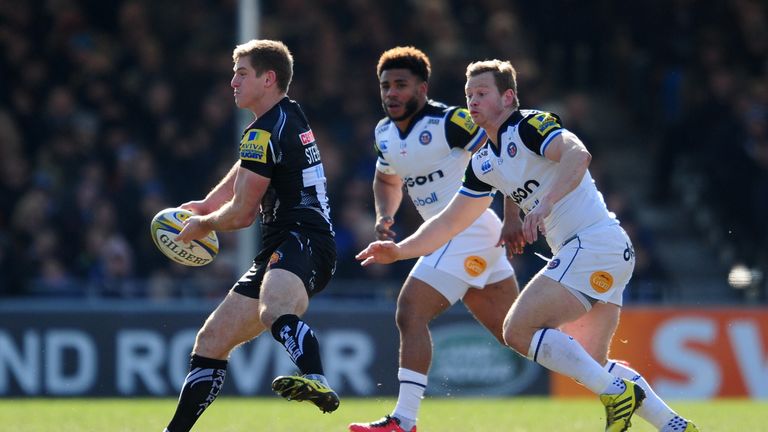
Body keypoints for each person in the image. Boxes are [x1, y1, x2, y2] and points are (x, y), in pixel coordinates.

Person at [357, 59, 699, 432]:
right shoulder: (484, 161)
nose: (473, 101)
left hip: (593, 244)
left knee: (517, 330)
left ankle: (616, 392)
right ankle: (674, 425)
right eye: (469, 94)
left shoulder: (530, 126)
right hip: (604, 253)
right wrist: (400, 250)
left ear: (508, 97)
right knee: (590, 362)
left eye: (482, 93)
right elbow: (451, 221)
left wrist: (545, 203)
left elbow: (578, 155)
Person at [162, 39, 339, 432]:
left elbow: (242, 214)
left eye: (242, 73)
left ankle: (318, 378)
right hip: (289, 244)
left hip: (302, 239)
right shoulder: (284, 116)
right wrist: (208, 204)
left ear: (268, 78)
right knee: (211, 341)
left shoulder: (264, 130)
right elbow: (249, 168)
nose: (233, 82)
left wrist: (203, 226)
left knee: (273, 309)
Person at [348, 47, 521, 432]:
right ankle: (609, 376)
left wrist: (513, 216)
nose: (391, 93)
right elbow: (387, 178)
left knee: (410, 310)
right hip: (454, 236)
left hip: (468, 230)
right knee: (518, 334)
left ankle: (404, 421)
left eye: (401, 85)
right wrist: (385, 215)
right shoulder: (384, 133)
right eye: (385, 86)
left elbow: (501, 157)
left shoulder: (451, 121)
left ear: (422, 88)